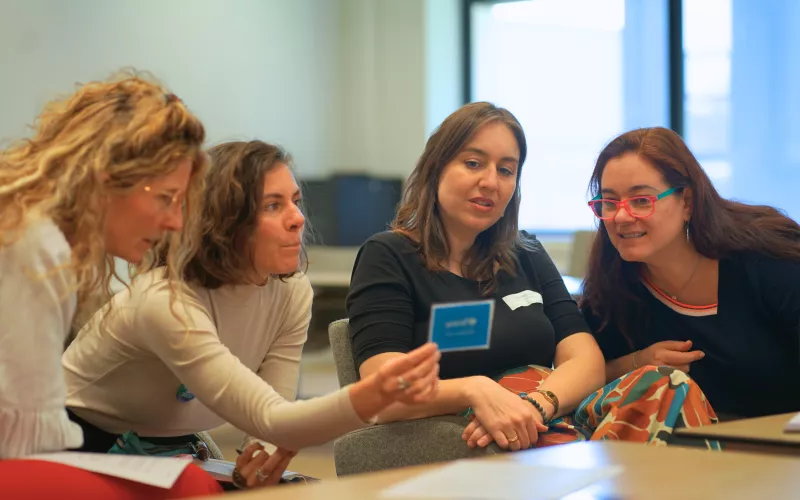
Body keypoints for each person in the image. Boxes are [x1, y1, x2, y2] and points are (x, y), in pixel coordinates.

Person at [63, 140, 441, 489]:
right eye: (273, 206)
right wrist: (370, 397)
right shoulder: (164, 301)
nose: (297, 219)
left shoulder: (292, 291)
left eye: (295, 201)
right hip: (77, 445)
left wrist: (260, 455)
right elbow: (273, 417)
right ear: (223, 224)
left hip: (171, 448)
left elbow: (270, 412)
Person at [347, 103, 717, 455]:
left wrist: (538, 404)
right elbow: (382, 390)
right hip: (476, 426)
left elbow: (585, 359)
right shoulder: (389, 255)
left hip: (546, 410)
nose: (490, 182)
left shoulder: (526, 253)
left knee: (667, 384)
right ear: (436, 168)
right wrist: (476, 391)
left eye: (506, 170)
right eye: (473, 163)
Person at [0, 73, 223, 497]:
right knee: (189, 485)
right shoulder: (36, 245)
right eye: (165, 198)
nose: (175, 222)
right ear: (108, 177)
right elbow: (22, 441)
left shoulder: (27, 225)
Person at [581, 126, 800, 420]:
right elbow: (584, 376)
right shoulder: (611, 286)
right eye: (609, 203)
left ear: (687, 202)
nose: (621, 217)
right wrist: (637, 364)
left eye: (641, 201)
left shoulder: (769, 261)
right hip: (687, 456)